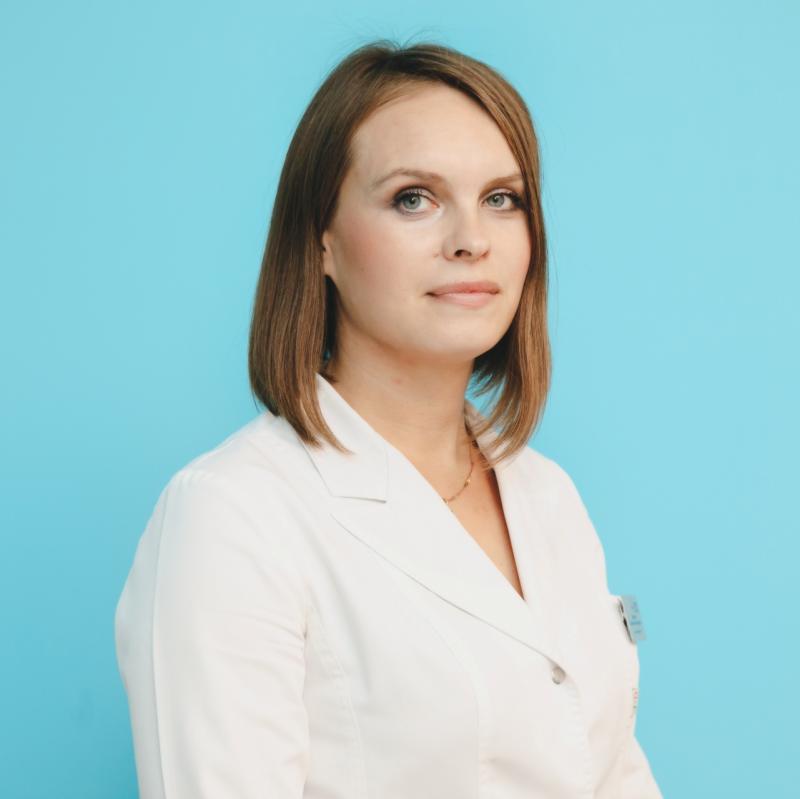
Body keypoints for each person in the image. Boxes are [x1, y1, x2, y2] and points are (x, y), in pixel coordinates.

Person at [114, 39, 663, 798]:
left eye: (502, 199)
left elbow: (612, 773)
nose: (471, 240)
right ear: (322, 242)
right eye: (413, 198)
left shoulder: (548, 495)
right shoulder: (232, 515)